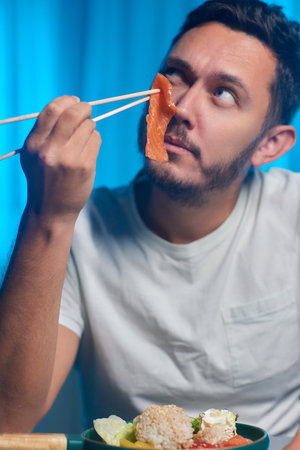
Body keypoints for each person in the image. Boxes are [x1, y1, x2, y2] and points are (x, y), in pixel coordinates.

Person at [0, 0, 300, 448]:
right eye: (175, 74)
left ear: (270, 145)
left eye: (223, 94)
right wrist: (49, 216)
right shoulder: (78, 228)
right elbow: (8, 419)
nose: (178, 106)